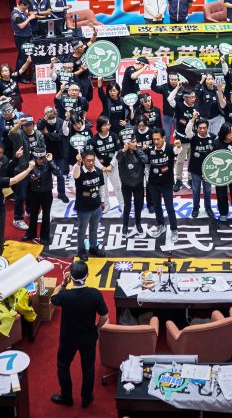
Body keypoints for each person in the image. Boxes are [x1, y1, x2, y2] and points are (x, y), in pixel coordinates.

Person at [52, 260, 109, 408]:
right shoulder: (95, 294)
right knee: (88, 367)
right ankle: (86, 397)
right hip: (88, 337)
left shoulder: (64, 295)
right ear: (87, 275)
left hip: (68, 338)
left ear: (71, 275)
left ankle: (66, 397)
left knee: (63, 365)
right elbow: (104, 316)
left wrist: (63, 283)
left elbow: (53, 298)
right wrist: (96, 329)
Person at [72, 150, 107, 260]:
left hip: (96, 206)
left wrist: (102, 201)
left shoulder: (98, 171)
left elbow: (101, 187)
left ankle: (93, 247)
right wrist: (78, 163)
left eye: (92, 160)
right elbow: (75, 173)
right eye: (88, 161)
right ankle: (81, 250)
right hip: (83, 209)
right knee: (82, 231)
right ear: (83, 161)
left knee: (94, 229)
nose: (91, 163)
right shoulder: (79, 172)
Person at [144, 129, 177, 244]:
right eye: (154, 139)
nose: (156, 141)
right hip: (153, 184)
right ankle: (161, 225)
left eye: (158, 139)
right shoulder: (150, 149)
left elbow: (177, 150)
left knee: (169, 208)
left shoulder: (170, 148)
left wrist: (178, 146)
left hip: (167, 184)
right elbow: (147, 164)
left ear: (164, 138)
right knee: (157, 206)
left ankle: (174, 229)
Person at [113, 136, 146, 238]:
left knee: (138, 205)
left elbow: (145, 159)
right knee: (127, 206)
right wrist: (124, 149)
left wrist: (137, 149)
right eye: (132, 142)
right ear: (127, 143)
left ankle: (138, 224)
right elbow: (117, 158)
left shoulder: (139, 151)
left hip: (138, 183)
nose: (134, 143)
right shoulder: (122, 153)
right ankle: (125, 226)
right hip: (126, 184)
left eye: (135, 141)